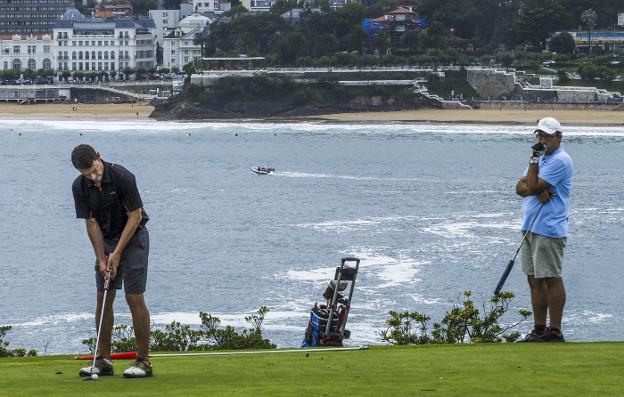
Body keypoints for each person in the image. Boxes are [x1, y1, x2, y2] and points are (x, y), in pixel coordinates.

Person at [71, 144, 153, 377]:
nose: (94, 177)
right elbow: (91, 223)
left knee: (134, 296)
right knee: (103, 297)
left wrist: (116, 254)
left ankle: (143, 362)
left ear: (99, 157)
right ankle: (103, 360)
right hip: (106, 241)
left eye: (95, 171)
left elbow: (135, 215)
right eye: (87, 175)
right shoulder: (80, 187)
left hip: (134, 237)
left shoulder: (122, 176)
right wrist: (101, 258)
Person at [515, 117, 573, 342]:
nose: (543, 140)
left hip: (549, 228)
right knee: (534, 280)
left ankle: (555, 330)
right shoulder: (541, 160)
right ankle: (539, 328)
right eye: (540, 135)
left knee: (551, 277)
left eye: (548, 136)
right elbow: (520, 187)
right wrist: (535, 187)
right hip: (530, 226)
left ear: (559, 136)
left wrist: (534, 184)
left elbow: (530, 184)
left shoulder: (561, 160)